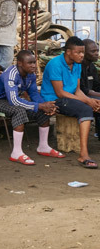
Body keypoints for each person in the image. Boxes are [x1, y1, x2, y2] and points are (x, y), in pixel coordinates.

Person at [0, 49, 63, 165]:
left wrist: (46, 106)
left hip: (9, 101)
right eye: (30, 63)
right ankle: (16, 153)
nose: (34, 65)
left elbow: (34, 94)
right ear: (20, 63)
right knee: (19, 111)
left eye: (34, 62)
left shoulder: (31, 76)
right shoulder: (11, 74)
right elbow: (14, 100)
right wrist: (39, 105)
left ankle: (43, 146)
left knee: (42, 111)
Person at [40, 36, 100, 169]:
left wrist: (91, 101)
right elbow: (60, 93)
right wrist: (88, 102)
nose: (81, 55)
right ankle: (83, 154)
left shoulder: (77, 64)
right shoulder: (55, 64)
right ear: (68, 52)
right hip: (54, 100)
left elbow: (77, 90)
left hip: (71, 97)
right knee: (86, 109)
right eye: (78, 52)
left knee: (97, 104)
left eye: (82, 52)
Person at [79, 39, 100, 138]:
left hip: (90, 95)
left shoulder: (92, 67)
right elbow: (82, 90)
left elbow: (97, 85)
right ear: (84, 52)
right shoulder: (78, 67)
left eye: (97, 51)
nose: (96, 53)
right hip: (80, 97)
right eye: (93, 51)